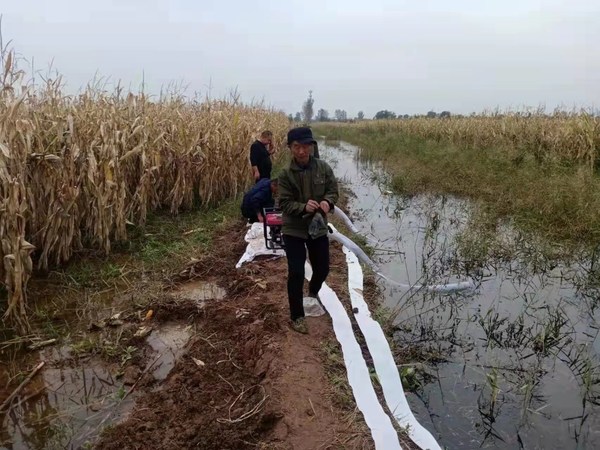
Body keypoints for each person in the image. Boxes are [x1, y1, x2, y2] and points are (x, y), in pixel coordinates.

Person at [278, 127, 339, 334]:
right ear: (290, 148)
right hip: (293, 228)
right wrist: (303, 207)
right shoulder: (286, 174)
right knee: (296, 272)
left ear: (312, 146)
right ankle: (297, 317)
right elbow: (284, 203)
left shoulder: (323, 168)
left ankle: (312, 293)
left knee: (322, 268)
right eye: (297, 147)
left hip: (317, 226)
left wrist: (326, 202)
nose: (302, 151)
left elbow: (333, 191)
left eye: (305, 146)